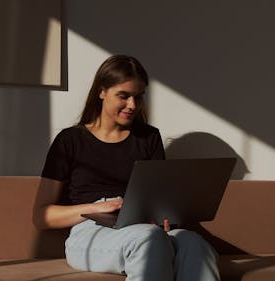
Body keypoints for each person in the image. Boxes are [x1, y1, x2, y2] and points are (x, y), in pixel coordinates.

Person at [32, 55, 220, 281]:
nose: (132, 105)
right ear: (102, 92)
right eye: (124, 96)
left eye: (138, 97)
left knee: (195, 244)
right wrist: (98, 207)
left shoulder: (149, 138)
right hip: (90, 230)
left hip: (142, 227)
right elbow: (42, 216)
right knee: (149, 240)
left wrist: (165, 216)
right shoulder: (70, 140)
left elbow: (159, 199)